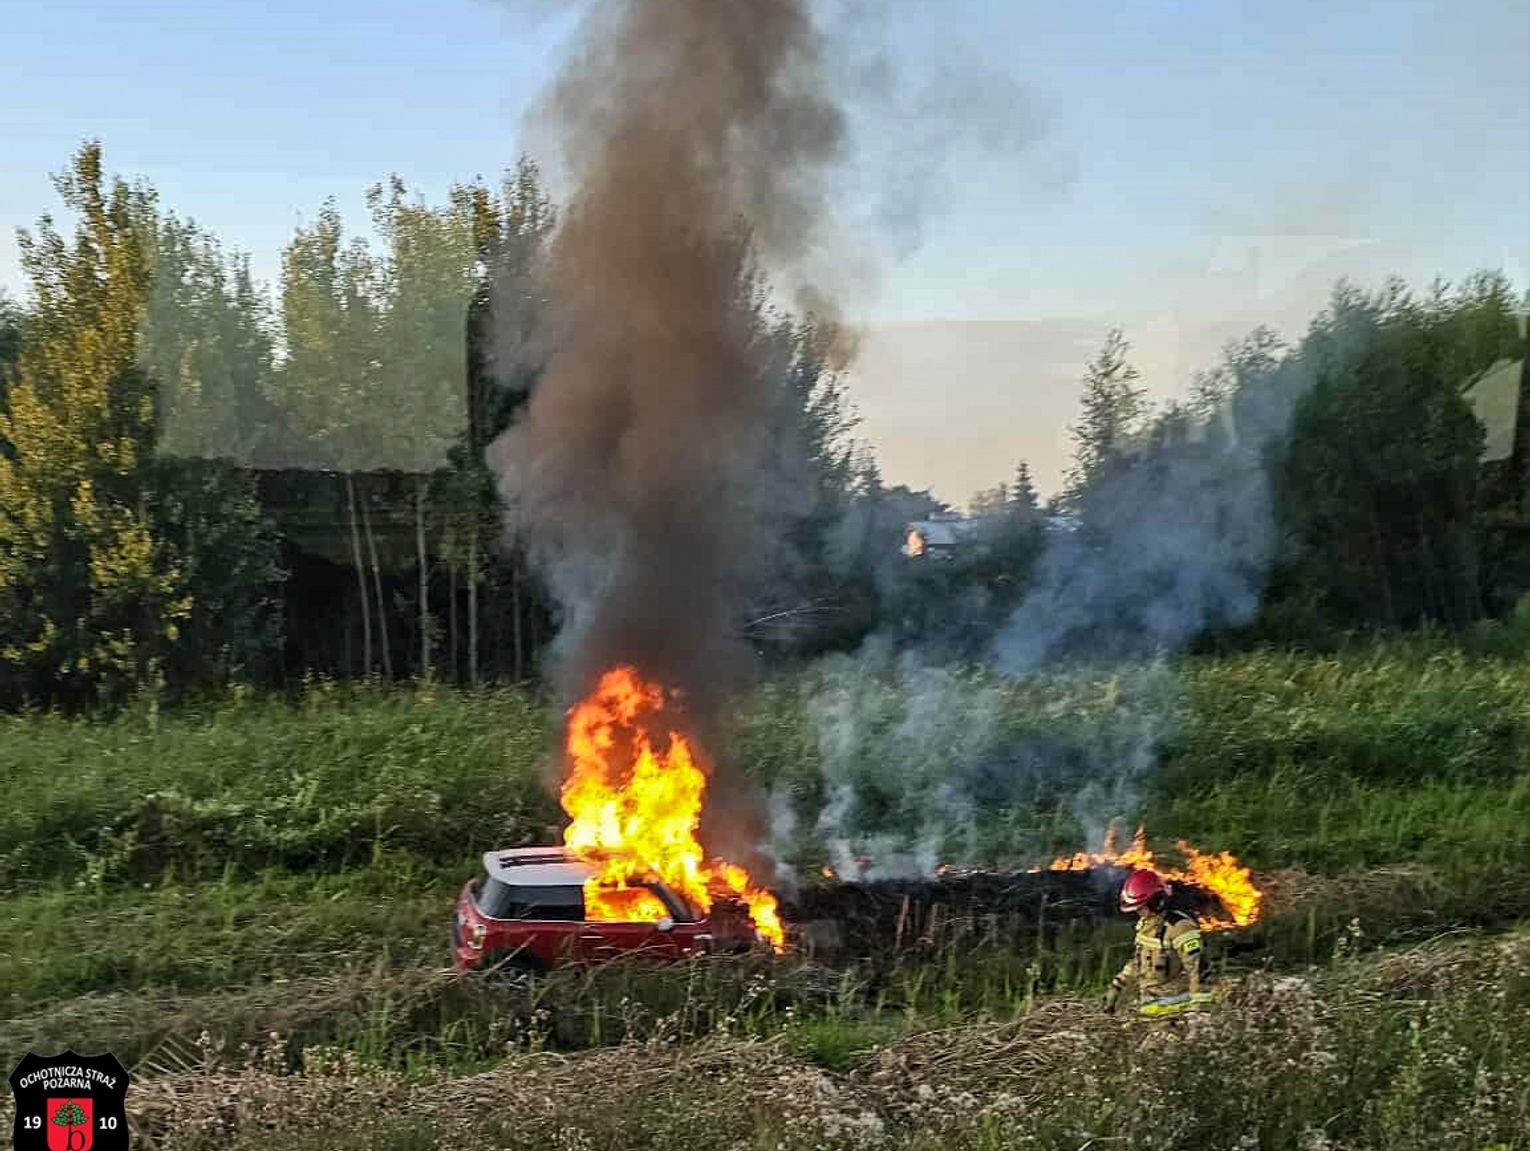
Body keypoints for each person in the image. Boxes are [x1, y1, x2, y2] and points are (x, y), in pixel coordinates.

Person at [1103, 868, 1215, 1019]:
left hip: (1178, 1016)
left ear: (1156, 902)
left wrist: (1200, 1012)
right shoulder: (1146, 926)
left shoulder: (1180, 928)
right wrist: (1118, 986)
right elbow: (1138, 961)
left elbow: (1199, 971)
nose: (1138, 912)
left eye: (1141, 907)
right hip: (1151, 1014)